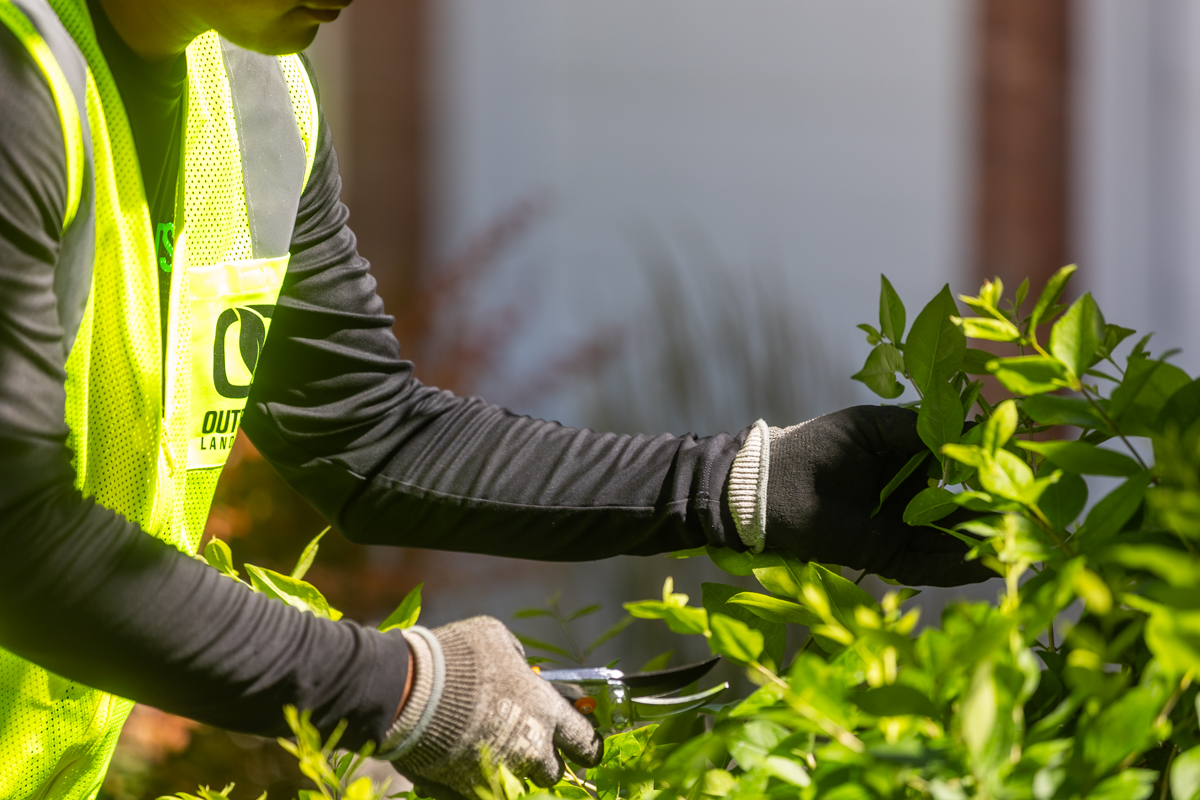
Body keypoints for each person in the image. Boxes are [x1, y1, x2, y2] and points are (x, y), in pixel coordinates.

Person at [0, 0, 991, 797]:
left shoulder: (262, 100)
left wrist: (746, 484)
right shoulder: (21, 78)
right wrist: (399, 687)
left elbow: (370, 435)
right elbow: (21, 540)